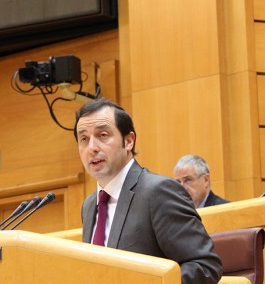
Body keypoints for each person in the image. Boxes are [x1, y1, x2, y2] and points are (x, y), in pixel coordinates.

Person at [74, 98, 222, 284]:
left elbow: (205, 266)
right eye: (84, 139)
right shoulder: (89, 206)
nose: (92, 148)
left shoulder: (158, 192)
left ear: (128, 141)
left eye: (103, 135)